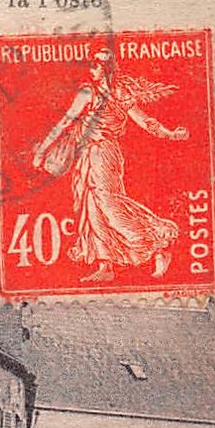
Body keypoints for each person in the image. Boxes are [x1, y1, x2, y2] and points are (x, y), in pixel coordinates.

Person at [31, 49, 191, 282]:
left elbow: (144, 120)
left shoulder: (117, 94)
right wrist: (43, 151)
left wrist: (170, 134)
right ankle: (106, 265)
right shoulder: (88, 92)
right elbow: (65, 122)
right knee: (92, 207)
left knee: (108, 203)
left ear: (106, 69)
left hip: (105, 153)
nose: (91, 71)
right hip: (88, 154)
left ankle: (156, 245)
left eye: (95, 66)